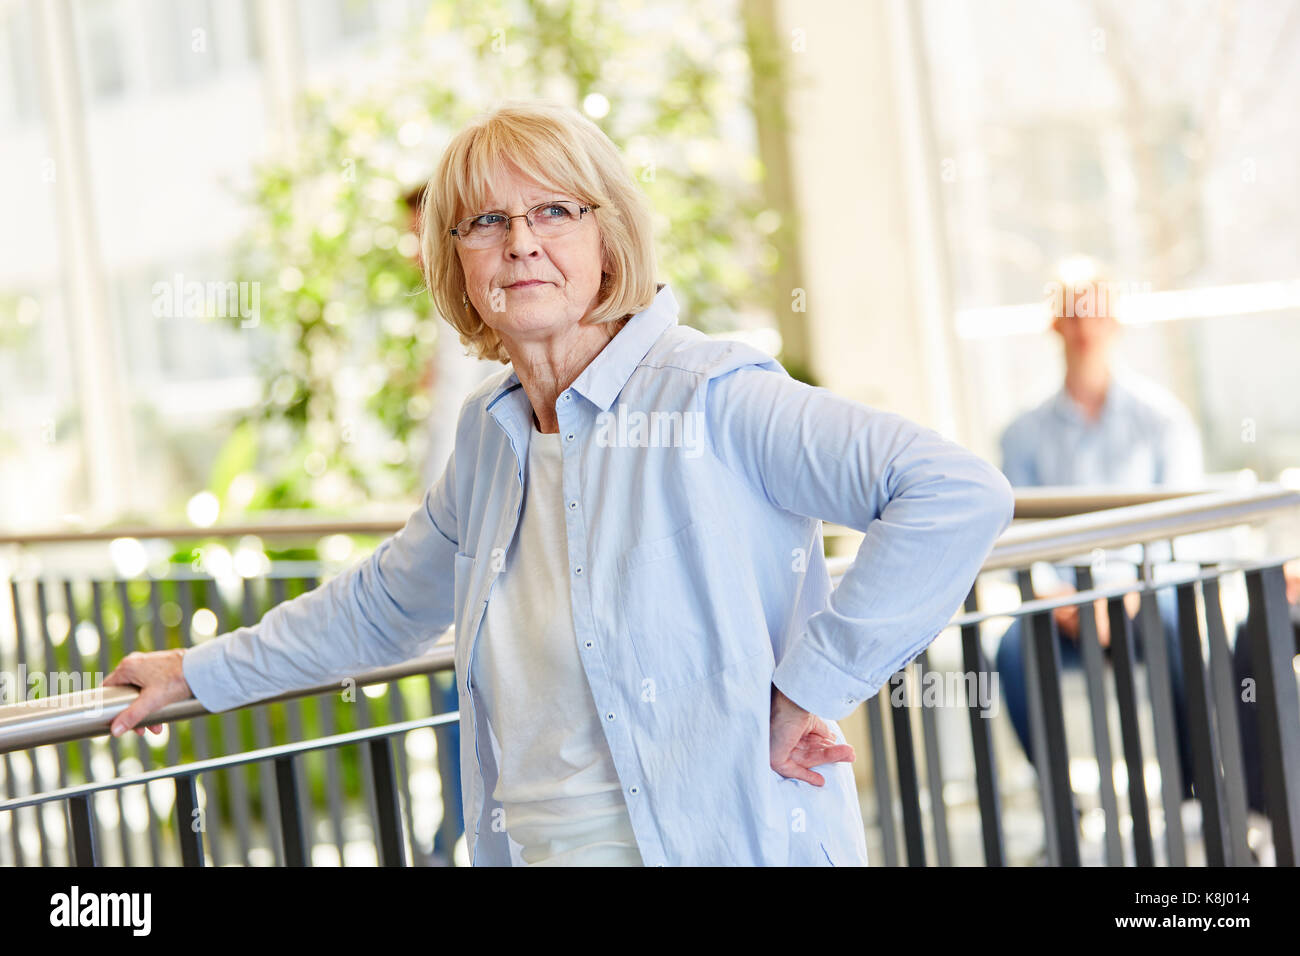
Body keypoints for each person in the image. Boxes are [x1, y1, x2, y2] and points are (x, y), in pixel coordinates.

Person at [104, 101, 1014, 866]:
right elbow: (382, 606)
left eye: (553, 213)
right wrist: (196, 673)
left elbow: (953, 493)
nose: (520, 245)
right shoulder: (490, 436)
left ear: (608, 238)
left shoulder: (710, 395)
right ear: (456, 260)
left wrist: (808, 688)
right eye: (486, 222)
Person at [994, 259, 1205, 803]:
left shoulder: (1162, 420)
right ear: (1055, 326)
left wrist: (1129, 592)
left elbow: (1180, 525)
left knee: (1184, 632)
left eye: (1096, 316)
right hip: (1058, 604)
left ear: (1115, 323)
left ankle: (1192, 792)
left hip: (1142, 595)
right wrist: (1052, 594)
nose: (1085, 329)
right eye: (1073, 316)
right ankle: (1062, 803)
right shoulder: (1021, 433)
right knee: (1012, 653)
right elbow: (1012, 534)